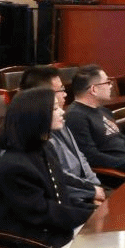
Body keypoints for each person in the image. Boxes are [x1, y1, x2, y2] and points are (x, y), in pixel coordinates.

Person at [0, 87, 96, 248]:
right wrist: (91, 215)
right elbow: (45, 213)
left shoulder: (44, 148)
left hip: (51, 237)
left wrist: (93, 211)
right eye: (54, 109)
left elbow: (61, 197)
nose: (62, 111)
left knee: (106, 236)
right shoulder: (15, 166)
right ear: (37, 116)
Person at [19, 65, 103, 206]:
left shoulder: (59, 121)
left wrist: (96, 187)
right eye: (61, 90)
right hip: (66, 202)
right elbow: (55, 180)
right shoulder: (30, 138)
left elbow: (81, 159)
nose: (65, 94)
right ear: (42, 95)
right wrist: (91, 193)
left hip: (86, 193)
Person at [64, 65, 125, 179]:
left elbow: (122, 139)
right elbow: (91, 157)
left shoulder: (104, 110)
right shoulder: (75, 116)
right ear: (94, 89)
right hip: (118, 175)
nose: (111, 86)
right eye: (107, 82)